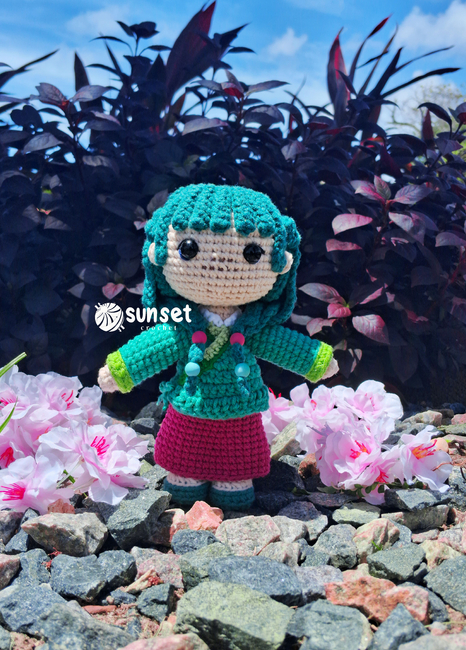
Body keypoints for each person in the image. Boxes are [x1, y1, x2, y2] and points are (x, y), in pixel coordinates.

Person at [98, 183, 338, 510]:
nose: (219, 265)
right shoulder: (183, 326)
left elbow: (283, 345)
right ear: (159, 254)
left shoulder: (252, 327)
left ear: (281, 263)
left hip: (238, 406)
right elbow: (155, 347)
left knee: (237, 459)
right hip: (191, 406)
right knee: (185, 455)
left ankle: (232, 485)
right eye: (189, 249)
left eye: (252, 253)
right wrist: (121, 369)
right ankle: (186, 481)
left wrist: (317, 361)